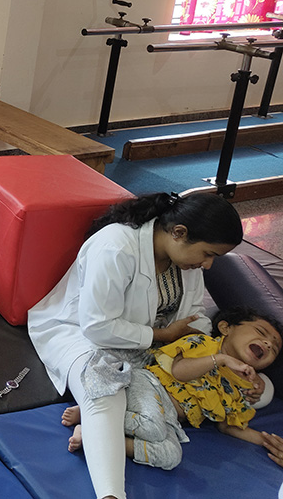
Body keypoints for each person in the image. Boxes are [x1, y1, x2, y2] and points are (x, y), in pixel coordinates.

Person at [27, 191, 245, 499]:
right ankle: (111, 494)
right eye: (208, 254)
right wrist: (163, 336)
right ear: (178, 232)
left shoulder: (185, 263)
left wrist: (207, 353)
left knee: (225, 394)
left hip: (152, 346)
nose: (208, 265)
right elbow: (97, 326)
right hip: (81, 335)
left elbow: (195, 318)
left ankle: (95, 424)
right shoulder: (116, 247)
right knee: (105, 389)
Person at [62, 306, 283, 470]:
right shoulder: (202, 344)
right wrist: (220, 359)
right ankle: (96, 418)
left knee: (170, 456)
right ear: (226, 328)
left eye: (273, 348)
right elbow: (179, 371)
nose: (267, 344)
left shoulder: (240, 389)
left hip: (167, 417)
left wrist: (265, 440)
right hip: (149, 386)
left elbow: (227, 426)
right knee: (152, 429)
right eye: (261, 333)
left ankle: (94, 435)